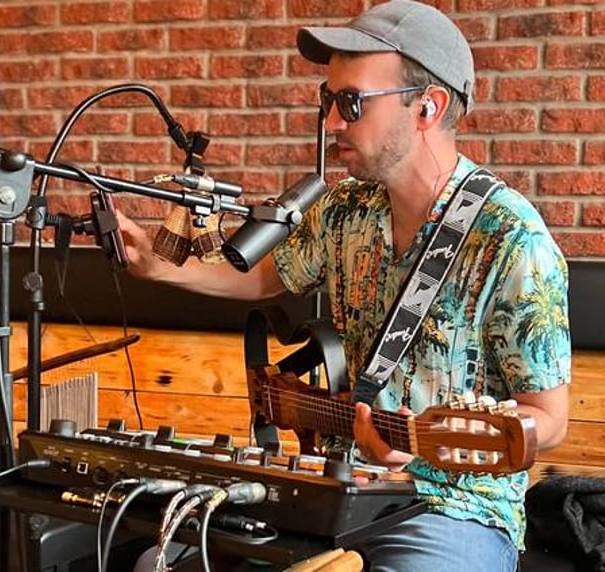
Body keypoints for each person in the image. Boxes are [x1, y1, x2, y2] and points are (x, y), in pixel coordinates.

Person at [118, 1, 571, 570]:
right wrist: (157, 265)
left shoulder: (510, 237)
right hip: (339, 487)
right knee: (159, 561)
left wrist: (431, 446)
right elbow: (265, 274)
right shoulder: (345, 209)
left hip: (451, 510)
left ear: (426, 107)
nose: (332, 121)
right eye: (328, 100)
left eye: (352, 102)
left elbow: (548, 418)